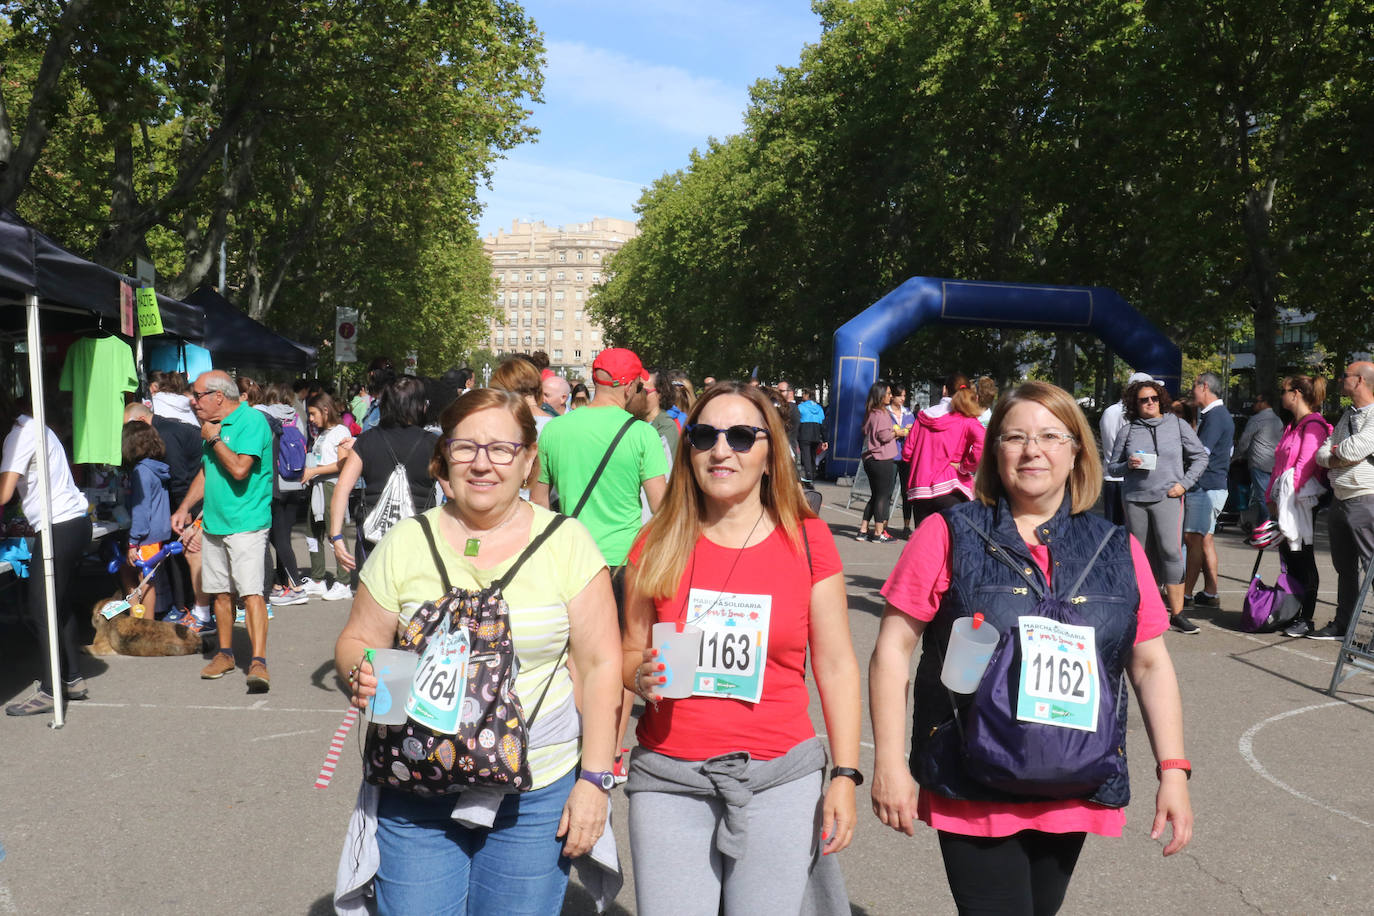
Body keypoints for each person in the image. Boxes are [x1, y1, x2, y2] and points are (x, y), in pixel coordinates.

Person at [870, 381, 1193, 915]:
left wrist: (1174, 772)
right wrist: (888, 762)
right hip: (972, 778)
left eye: (1049, 436)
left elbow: (1151, 662)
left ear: (1076, 452)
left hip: (1073, 776)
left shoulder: (1118, 547)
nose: (1032, 450)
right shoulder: (947, 532)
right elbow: (891, 651)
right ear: (994, 450)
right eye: (1015, 437)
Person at [334, 388, 621, 914]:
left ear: (529, 458)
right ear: (443, 458)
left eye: (501, 449)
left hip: (537, 791)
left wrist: (595, 781)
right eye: (465, 448)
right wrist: (366, 673)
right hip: (415, 779)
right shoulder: (406, 541)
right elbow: (358, 641)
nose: (482, 463)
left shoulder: (568, 542)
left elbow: (601, 666)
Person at [622, 381, 861, 914]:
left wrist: (845, 775)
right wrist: (638, 675)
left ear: (771, 452)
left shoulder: (807, 539)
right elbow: (626, 652)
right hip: (669, 777)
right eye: (705, 435)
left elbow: (838, 664)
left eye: (741, 436)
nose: (721, 449)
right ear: (689, 451)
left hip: (780, 777)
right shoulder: (656, 540)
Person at [533, 347, 669, 780]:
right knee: (621, 656)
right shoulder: (642, 434)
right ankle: (610, 751)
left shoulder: (555, 431)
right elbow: (661, 508)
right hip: (623, 563)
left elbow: (538, 504)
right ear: (629, 385)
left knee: (574, 657)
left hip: (569, 560)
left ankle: (574, 743)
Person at [171, 371, 275, 692]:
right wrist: (185, 507)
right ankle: (225, 653)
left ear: (219, 396)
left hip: (246, 522)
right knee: (219, 592)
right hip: (215, 522)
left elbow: (241, 469)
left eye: (198, 395)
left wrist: (214, 439)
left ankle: (258, 661)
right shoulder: (210, 428)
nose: (193, 401)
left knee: (251, 593)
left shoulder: (252, 422)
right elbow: (208, 471)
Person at [1, 394, 95, 715]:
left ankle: (50, 691)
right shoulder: (36, 427)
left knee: (40, 610)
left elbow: (4, 493)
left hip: (59, 526)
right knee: (59, 603)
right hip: (75, 524)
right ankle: (72, 679)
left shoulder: (18, 436)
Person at [1107, 379, 1208, 634]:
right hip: (1134, 499)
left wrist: (1184, 484)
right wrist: (1127, 464)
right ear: (1135, 404)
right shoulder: (1128, 430)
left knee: (1170, 551)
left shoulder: (1176, 424)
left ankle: (1177, 614)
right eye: (1144, 400)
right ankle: (1143, 611)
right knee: (1139, 556)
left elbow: (1200, 456)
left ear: (1160, 400)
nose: (1150, 403)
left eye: (1153, 398)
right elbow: (1112, 467)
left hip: (1168, 497)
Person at [330, 376, 438, 576]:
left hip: (374, 540)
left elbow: (342, 489)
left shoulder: (366, 441)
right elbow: (454, 493)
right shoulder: (432, 444)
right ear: (420, 406)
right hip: (420, 539)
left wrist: (336, 536)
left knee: (373, 600)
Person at [1265, 376, 1333, 638]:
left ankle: (1307, 617)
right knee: (1290, 557)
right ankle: (1291, 612)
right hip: (1285, 501)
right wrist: (1271, 497)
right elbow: (1279, 462)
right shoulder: (1291, 425)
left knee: (1303, 556)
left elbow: (1305, 465)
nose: (1281, 396)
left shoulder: (1313, 425)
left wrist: (1285, 499)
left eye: (1284, 391)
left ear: (1296, 394)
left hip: (1301, 503)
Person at [1312, 361, 1374, 640]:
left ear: (1359, 380)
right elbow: (1322, 453)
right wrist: (1338, 453)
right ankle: (1343, 623)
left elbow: (1357, 448)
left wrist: (1337, 453)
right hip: (1340, 498)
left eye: (1344, 376)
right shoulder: (1347, 415)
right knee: (1344, 568)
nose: (1340, 380)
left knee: (1370, 567)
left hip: (1364, 499)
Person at [1182, 373, 1235, 609]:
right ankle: (1210, 592)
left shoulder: (1215, 417)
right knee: (1204, 541)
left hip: (1206, 487)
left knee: (1194, 539)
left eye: (1194, 386)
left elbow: (1200, 453)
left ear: (1204, 387)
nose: (1192, 392)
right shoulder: (1216, 415)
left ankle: (1185, 594)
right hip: (1212, 486)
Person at [902, 384, 986, 530]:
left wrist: (923, 462)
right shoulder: (967, 421)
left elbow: (907, 452)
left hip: (921, 489)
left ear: (945, 389)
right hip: (951, 487)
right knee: (955, 545)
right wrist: (965, 467)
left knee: (923, 545)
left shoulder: (922, 417)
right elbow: (983, 442)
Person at [300, 392, 354, 600]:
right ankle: (317, 579)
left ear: (325, 410)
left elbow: (343, 463)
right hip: (318, 488)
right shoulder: (323, 433)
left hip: (331, 487)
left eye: (313, 414)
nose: (311, 419)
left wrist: (314, 471)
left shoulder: (341, 431)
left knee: (335, 534)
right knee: (312, 533)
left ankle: (344, 582)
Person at [120, 420, 172, 618]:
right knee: (137, 574)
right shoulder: (156, 467)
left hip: (146, 535)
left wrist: (133, 541)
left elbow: (142, 509)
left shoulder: (141, 471)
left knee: (145, 579)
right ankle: (138, 616)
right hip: (157, 532)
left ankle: (144, 623)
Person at [1100, 372, 1155, 526]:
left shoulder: (1109, 411)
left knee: (1112, 530)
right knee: (1130, 533)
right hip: (1128, 479)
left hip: (1111, 478)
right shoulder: (1129, 415)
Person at [1234, 392, 1284, 528]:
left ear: (1263, 403)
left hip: (1259, 462)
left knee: (1263, 497)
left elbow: (1244, 442)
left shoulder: (1257, 419)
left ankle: (1266, 528)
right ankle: (1263, 526)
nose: (1253, 405)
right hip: (1274, 463)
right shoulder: (1277, 420)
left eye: (1256, 401)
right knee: (1270, 496)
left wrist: (1236, 456)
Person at [857, 382, 898, 543]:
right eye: (888, 393)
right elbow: (884, 436)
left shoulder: (871, 413)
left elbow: (866, 431)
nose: (890, 396)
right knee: (882, 496)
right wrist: (897, 432)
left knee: (875, 496)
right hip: (882, 458)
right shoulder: (881, 414)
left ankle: (863, 529)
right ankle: (878, 533)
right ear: (880, 395)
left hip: (870, 458)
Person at [889, 384, 917, 535]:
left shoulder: (908, 413)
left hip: (906, 456)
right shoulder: (885, 413)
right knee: (888, 490)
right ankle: (883, 523)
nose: (902, 399)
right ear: (892, 396)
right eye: (900, 396)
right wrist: (901, 431)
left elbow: (913, 431)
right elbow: (888, 430)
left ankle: (906, 525)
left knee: (907, 492)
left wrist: (908, 430)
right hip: (891, 455)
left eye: (904, 396)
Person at [643, 369, 680, 455]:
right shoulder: (632, 421)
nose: (638, 395)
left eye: (644, 391)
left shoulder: (666, 427)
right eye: (637, 389)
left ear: (661, 393)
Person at [796, 387, 827, 484]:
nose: (802, 396)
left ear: (808, 395)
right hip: (816, 434)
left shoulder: (801, 407)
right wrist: (825, 440)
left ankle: (808, 476)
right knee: (813, 455)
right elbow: (823, 425)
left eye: (804, 394)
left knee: (806, 456)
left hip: (805, 433)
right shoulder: (819, 408)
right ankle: (813, 474)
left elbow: (797, 421)